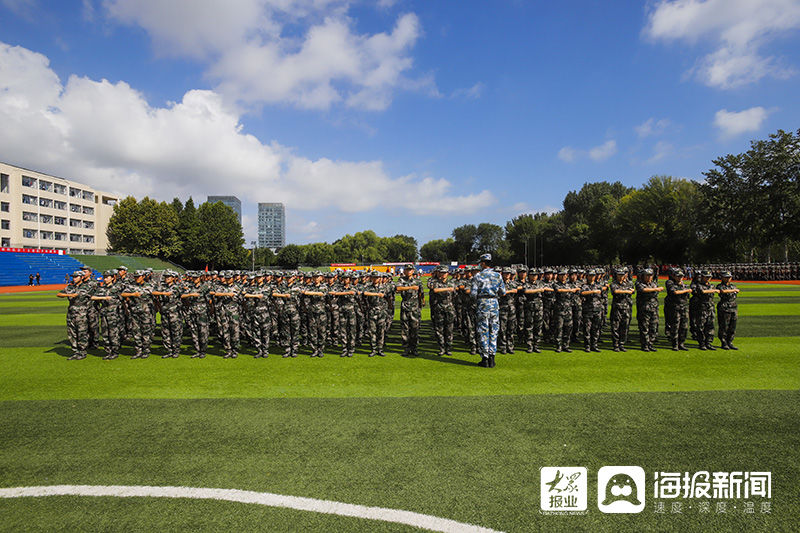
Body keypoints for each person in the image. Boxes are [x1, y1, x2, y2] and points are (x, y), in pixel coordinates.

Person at [470, 254, 505, 367]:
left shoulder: (478, 276)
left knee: (483, 330)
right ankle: (492, 357)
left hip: (482, 304)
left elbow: (473, 294)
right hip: (494, 304)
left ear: (483, 263)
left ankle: (485, 358)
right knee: (494, 330)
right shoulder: (498, 276)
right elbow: (503, 292)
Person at [57, 270, 93, 360]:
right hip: (71, 312)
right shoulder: (70, 287)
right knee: (71, 333)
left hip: (81, 313)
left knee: (82, 332)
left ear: (81, 277)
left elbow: (92, 297)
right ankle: (76, 351)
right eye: (73, 277)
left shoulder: (86, 287)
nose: (74, 278)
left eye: (76, 277)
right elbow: (59, 294)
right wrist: (69, 295)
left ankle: (82, 351)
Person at [396, 264, 424, 357]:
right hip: (405, 307)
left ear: (413, 271)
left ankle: (414, 348)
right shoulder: (401, 280)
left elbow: (421, 294)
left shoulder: (418, 281)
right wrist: (410, 287)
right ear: (404, 271)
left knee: (415, 329)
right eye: (407, 270)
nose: (408, 271)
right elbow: (398, 288)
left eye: (410, 270)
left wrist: (421, 304)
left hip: (415, 308)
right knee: (405, 329)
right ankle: (406, 348)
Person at [428, 266, 456, 356]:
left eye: (445, 273)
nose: (443, 274)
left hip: (449, 308)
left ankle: (448, 348)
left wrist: (445, 289)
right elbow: (435, 290)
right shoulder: (435, 282)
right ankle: (441, 348)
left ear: (447, 273)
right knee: (439, 329)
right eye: (441, 272)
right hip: (439, 308)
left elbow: (453, 290)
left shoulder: (451, 282)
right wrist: (448, 289)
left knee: (449, 329)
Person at [635, 268, 663, 352]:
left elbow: (655, 292)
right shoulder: (639, 283)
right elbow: (643, 290)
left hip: (654, 308)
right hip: (644, 308)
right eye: (647, 275)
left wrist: (654, 290)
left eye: (650, 275)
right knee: (644, 327)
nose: (649, 277)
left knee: (653, 327)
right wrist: (655, 290)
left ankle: (650, 344)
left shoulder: (653, 284)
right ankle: (645, 345)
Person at [665, 269, 691, 351]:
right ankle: (675, 344)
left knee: (684, 327)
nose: (680, 278)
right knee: (675, 326)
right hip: (675, 307)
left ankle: (681, 343)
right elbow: (674, 292)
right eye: (678, 276)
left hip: (684, 307)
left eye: (681, 276)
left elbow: (687, 296)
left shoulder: (684, 285)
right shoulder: (671, 284)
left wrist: (684, 291)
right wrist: (685, 290)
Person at [609, 268, 634, 352]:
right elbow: (615, 291)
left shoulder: (629, 283)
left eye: (622, 275)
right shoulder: (613, 284)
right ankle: (615, 344)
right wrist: (627, 291)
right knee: (615, 327)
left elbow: (632, 291)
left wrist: (625, 291)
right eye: (619, 275)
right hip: (617, 308)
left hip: (626, 308)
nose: (620, 277)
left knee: (625, 326)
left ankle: (622, 344)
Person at [716, 271, 739, 350]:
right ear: (722, 277)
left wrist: (733, 290)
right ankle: (724, 342)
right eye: (726, 277)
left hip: (733, 307)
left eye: (729, 277)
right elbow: (722, 291)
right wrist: (733, 290)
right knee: (724, 326)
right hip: (724, 307)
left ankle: (730, 342)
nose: (728, 279)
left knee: (733, 326)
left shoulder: (733, 286)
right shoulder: (720, 286)